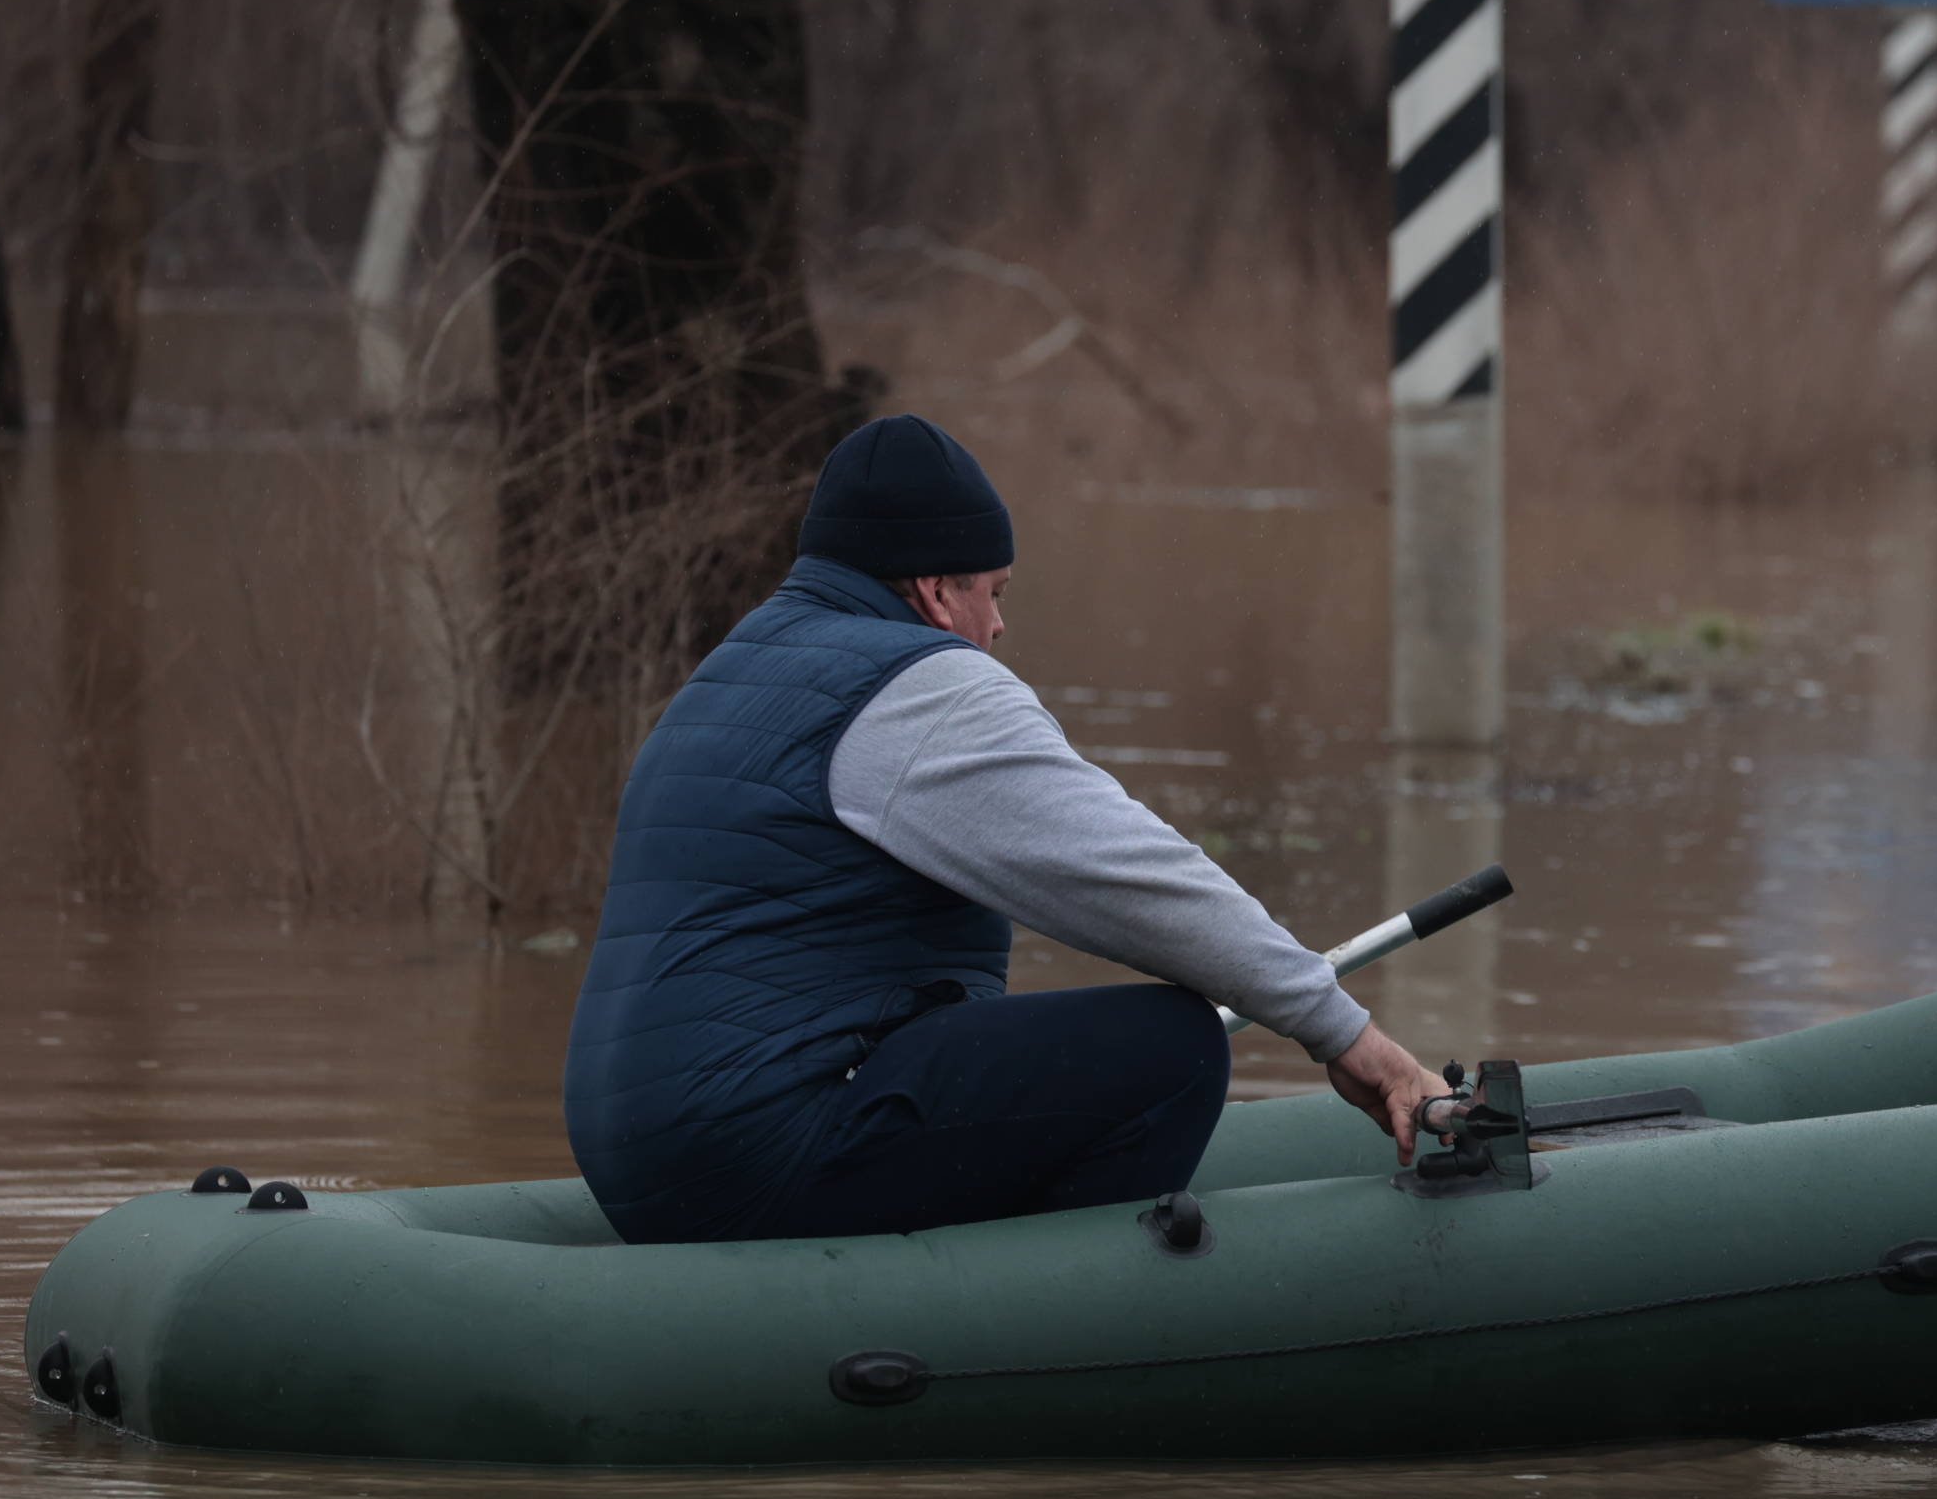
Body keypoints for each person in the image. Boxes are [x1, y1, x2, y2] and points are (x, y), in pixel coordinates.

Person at [563, 415, 1451, 1245]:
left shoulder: (736, 669)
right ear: (935, 589)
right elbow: (1133, 878)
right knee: (1173, 1048)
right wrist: (1341, 1033)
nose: (999, 623)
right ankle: (1054, 1329)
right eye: (993, 592)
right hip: (753, 1151)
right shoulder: (917, 687)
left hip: (637, 1158)